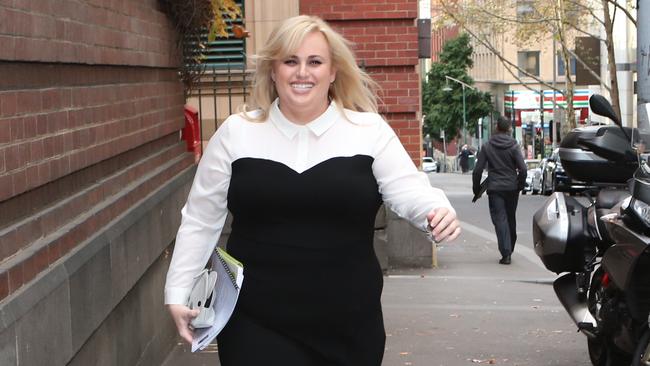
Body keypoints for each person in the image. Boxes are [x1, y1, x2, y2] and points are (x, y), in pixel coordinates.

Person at [164, 15, 461, 365]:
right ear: (273, 71)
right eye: (290, 61)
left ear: (333, 71)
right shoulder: (236, 134)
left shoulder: (367, 131)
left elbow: (410, 191)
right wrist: (178, 291)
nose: (302, 72)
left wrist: (436, 213)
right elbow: (200, 218)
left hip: (349, 324)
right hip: (255, 323)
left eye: (314, 62)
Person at [472, 116, 526, 265]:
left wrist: (476, 189)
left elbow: (477, 171)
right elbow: (523, 168)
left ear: (496, 127)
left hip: (495, 188)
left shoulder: (487, 146)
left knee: (500, 219)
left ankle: (506, 252)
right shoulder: (514, 145)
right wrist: (520, 185)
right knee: (510, 218)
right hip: (511, 187)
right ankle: (510, 247)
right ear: (509, 128)